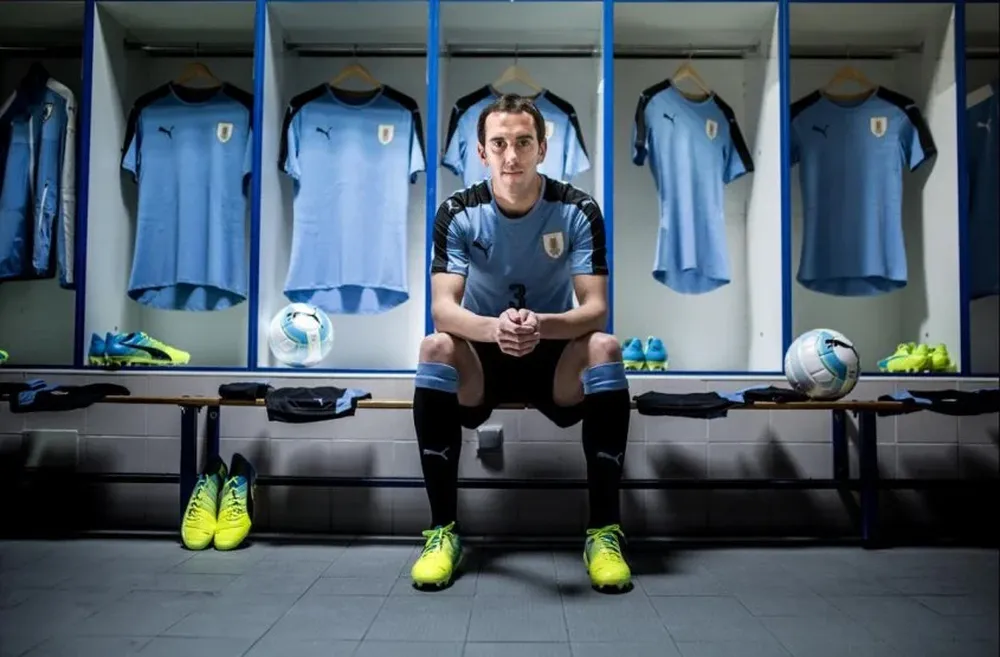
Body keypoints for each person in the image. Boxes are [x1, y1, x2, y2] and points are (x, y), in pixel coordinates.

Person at [410, 94, 632, 592]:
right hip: (482, 356)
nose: (512, 156)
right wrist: (495, 329)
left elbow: (595, 308)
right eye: (500, 143)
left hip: (552, 353)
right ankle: (442, 530)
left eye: (524, 142)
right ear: (482, 152)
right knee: (434, 346)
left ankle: (604, 531)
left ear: (543, 148)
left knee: (605, 346)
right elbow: (444, 309)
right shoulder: (458, 211)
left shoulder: (577, 209)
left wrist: (539, 326)